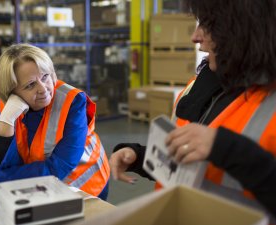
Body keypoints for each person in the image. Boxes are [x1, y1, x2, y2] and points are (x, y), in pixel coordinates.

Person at [109, 0, 276, 218]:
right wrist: (140, 157)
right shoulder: (199, 87)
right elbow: (186, 164)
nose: (195, 37)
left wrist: (225, 149)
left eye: (209, 25)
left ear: (245, 30)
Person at [0, 43, 110, 200]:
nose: (44, 89)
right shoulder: (3, 105)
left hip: (83, 187)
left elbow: (59, 168)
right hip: (39, 187)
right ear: (11, 91)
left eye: (45, 76)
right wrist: (6, 122)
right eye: (30, 85)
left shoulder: (72, 102)